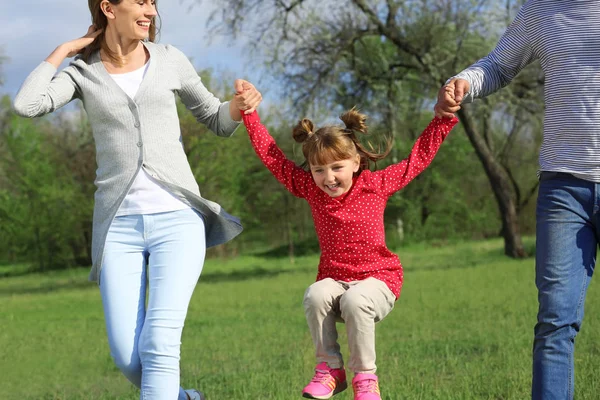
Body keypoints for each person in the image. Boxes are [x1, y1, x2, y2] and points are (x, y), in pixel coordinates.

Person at [13, 1, 262, 399]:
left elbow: (216, 118)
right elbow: (27, 105)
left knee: (159, 344)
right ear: (109, 8)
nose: (151, 11)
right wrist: (64, 51)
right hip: (118, 229)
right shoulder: (82, 72)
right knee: (128, 357)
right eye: (141, 2)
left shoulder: (169, 59)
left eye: (153, 3)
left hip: (178, 221)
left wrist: (239, 106)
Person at [433, 2, 600, 399]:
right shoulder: (540, 10)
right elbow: (498, 65)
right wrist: (463, 82)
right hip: (564, 189)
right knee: (555, 321)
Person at [241, 108, 457, 399]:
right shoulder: (310, 189)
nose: (328, 177)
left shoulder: (375, 185)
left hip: (379, 281)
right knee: (314, 294)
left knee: (356, 299)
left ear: (356, 162)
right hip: (335, 281)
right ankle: (330, 370)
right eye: (319, 170)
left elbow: (416, 159)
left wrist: (442, 120)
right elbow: (273, 158)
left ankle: (366, 378)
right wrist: (250, 115)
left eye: (336, 167)